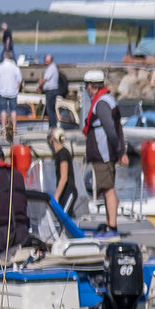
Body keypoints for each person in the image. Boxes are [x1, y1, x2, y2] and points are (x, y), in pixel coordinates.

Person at [81, 70, 129, 234]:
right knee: (107, 187)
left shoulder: (101, 103)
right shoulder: (108, 99)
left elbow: (110, 129)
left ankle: (112, 226)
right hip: (106, 153)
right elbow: (118, 128)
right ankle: (109, 222)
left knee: (108, 189)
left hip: (103, 154)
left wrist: (119, 151)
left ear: (89, 86)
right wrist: (121, 150)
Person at [0, 52, 23, 142]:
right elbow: (19, 80)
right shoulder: (15, 67)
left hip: (2, 91)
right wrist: (16, 88)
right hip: (13, 91)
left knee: (3, 111)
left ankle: (3, 129)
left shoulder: (0, 67)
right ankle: (14, 129)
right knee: (13, 111)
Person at [49, 129, 77, 215]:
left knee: (64, 217)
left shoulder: (62, 154)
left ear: (52, 139)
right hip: (65, 193)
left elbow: (64, 176)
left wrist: (56, 195)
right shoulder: (61, 153)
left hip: (68, 192)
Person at [40, 54, 62, 130]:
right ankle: (53, 125)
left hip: (51, 91)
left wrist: (39, 85)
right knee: (51, 109)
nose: (45, 63)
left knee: (50, 109)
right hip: (52, 90)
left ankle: (52, 126)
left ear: (50, 60)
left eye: (47, 61)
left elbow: (45, 78)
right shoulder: (52, 67)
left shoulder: (51, 68)